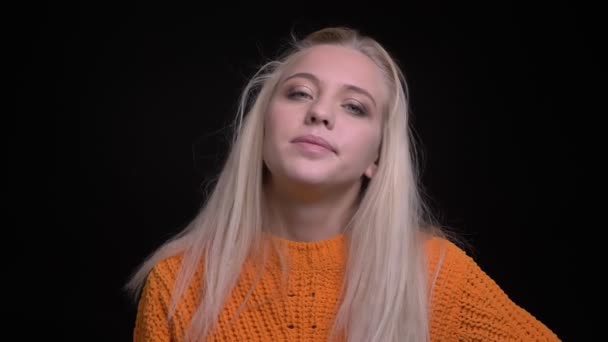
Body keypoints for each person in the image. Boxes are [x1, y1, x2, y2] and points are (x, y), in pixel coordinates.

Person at [126, 26, 560, 341]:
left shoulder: (434, 276)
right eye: (299, 93)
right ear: (260, 129)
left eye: (354, 106)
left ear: (377, 157)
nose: (320, 113)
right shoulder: (179, 285)